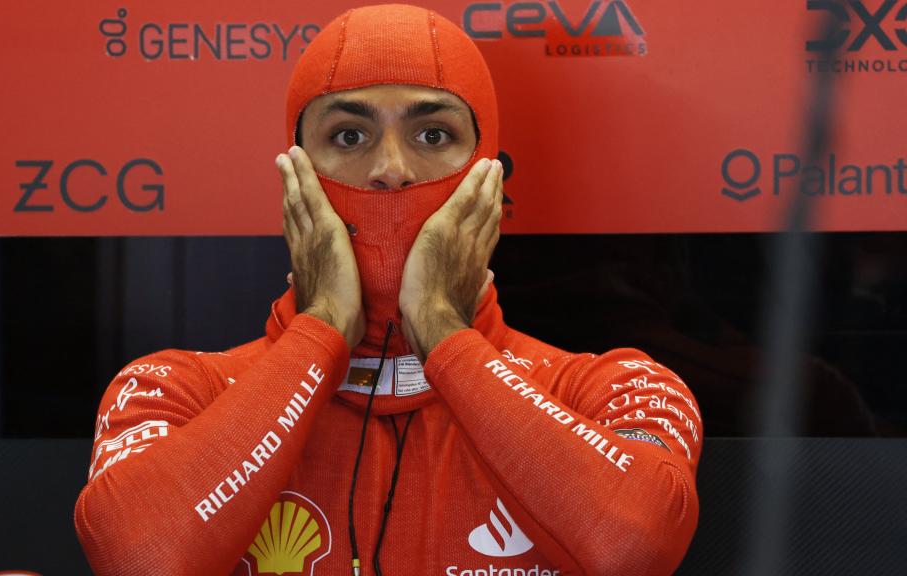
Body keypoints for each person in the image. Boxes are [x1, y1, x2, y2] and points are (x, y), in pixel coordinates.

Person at [74, 4, 702, 575]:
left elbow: (634, 549)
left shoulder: (612, 390)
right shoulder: (173, 389)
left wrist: (442, 332)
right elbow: (140, 558)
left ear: (489, 178)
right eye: (349, 135)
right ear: (295, 174)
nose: (390, 170)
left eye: (433, 135)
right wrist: (319, 331)